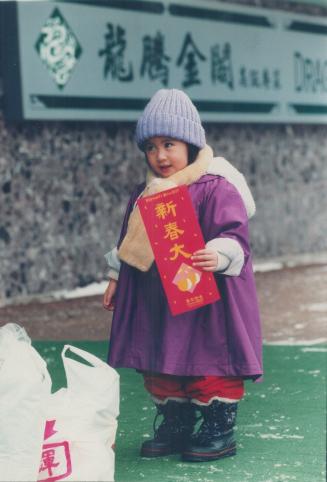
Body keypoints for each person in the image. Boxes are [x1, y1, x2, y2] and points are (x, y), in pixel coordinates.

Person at [103, 89, 262, 463]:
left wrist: (220, 253)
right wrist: (115, 275)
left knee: (208, 357)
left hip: (206, 298)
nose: (160, 155)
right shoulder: (147, 193)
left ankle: (217, 425)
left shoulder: (215, 186)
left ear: (190, 143)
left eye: (169, 144)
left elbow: (234, 233)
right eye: (152, 146)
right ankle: (175, 421)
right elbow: (129, 241)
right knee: (162, 357)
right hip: (157, 296)